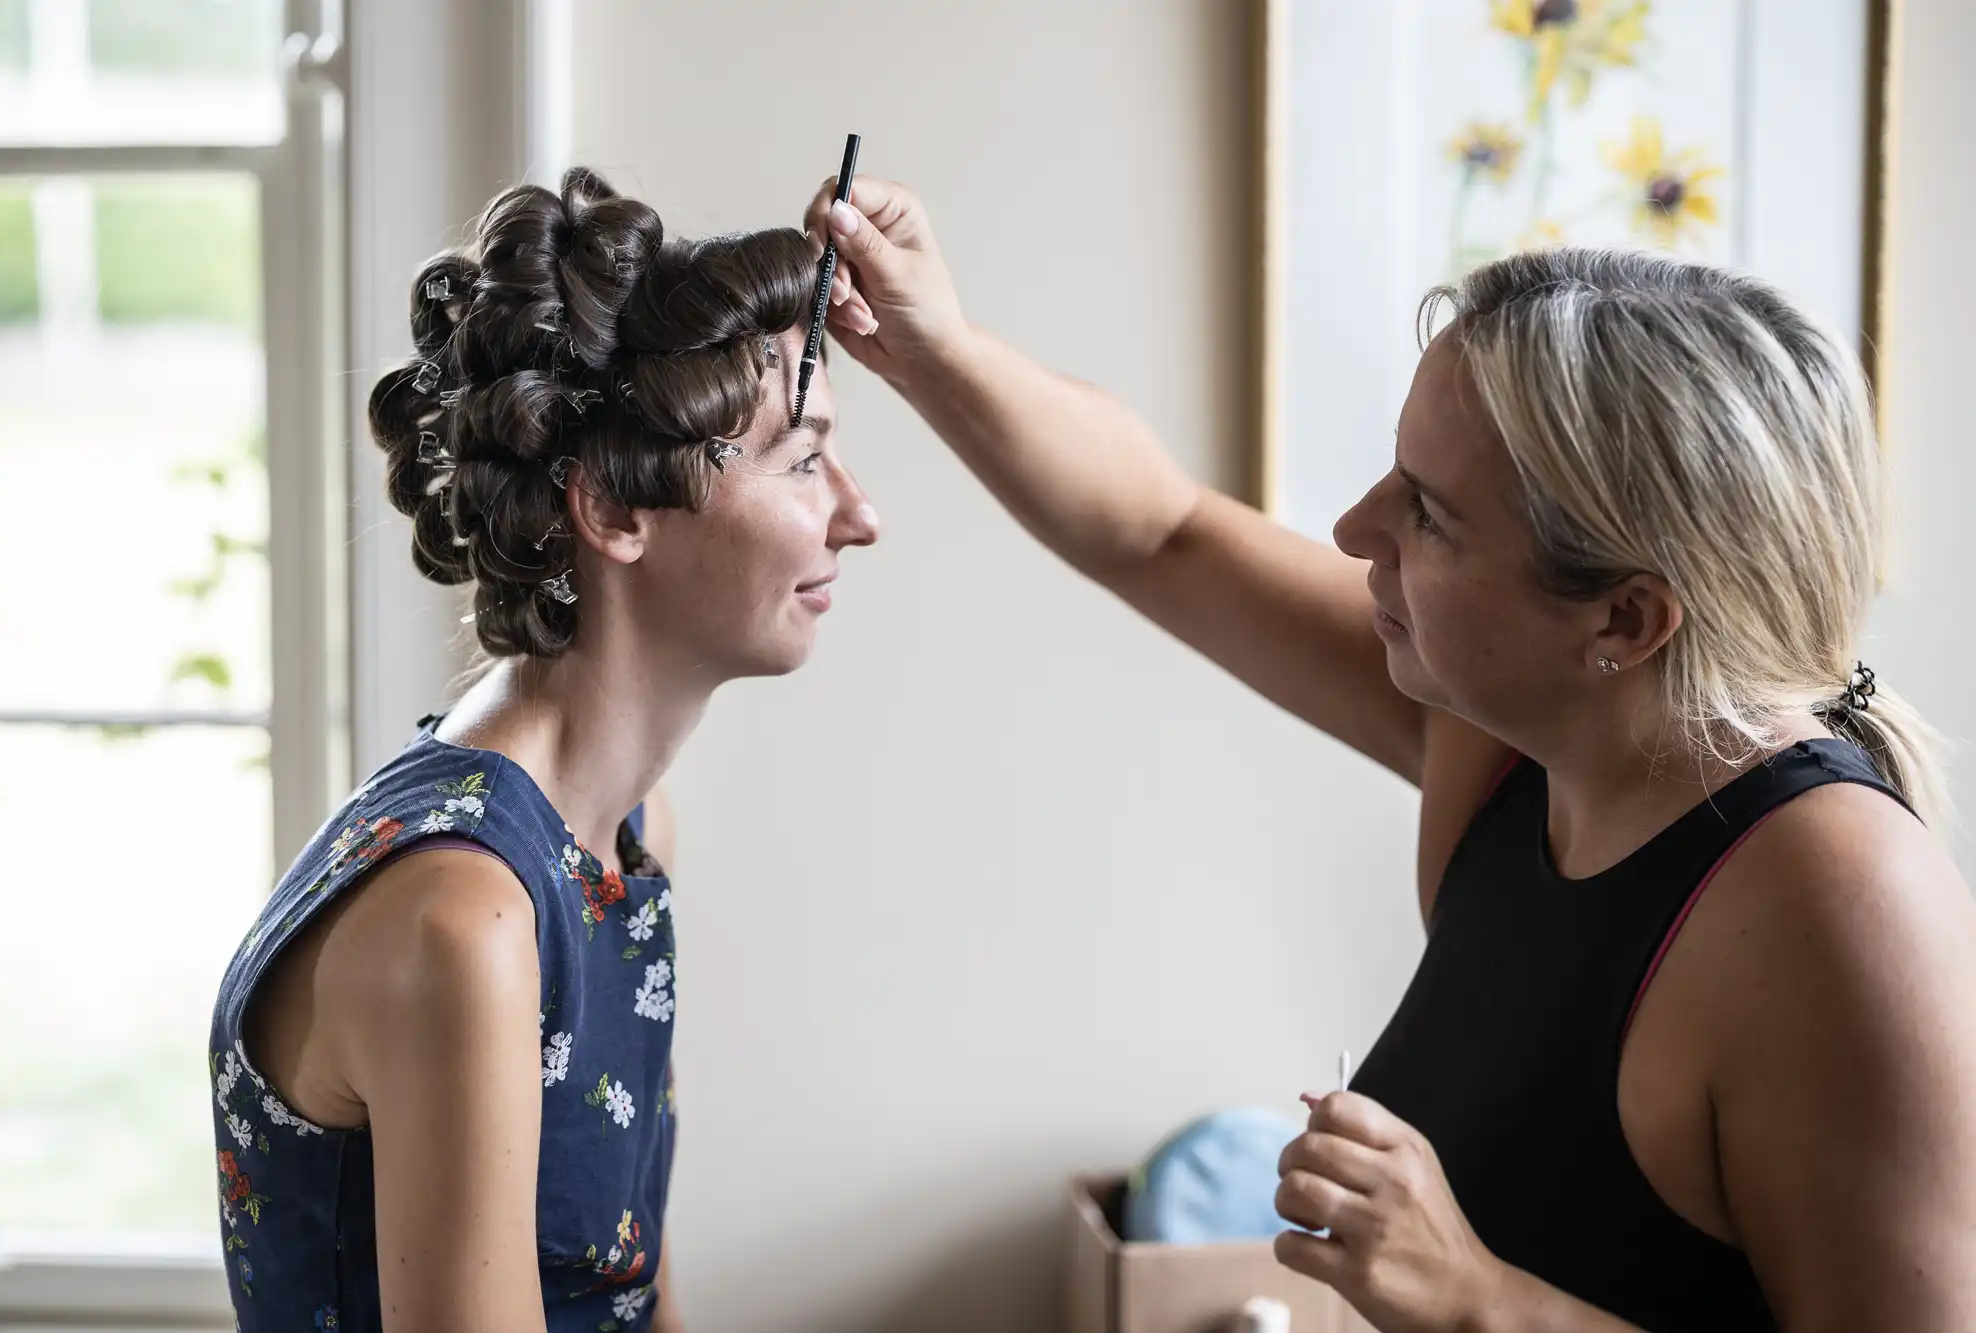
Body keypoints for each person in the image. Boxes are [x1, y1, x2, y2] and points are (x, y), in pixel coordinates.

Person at [803, 179, 1976, 1330]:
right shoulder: (1515, 740)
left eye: (1426, 511)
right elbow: (1160, 532)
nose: (1354, 528)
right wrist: (934, 347)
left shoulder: (1842, 906)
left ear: (1622, 621)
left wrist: (1479, 1300)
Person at [209, 167, 878, 1333]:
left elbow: (631, 1282)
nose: (859, 515)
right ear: (615, 510)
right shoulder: (465, 922)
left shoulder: (624, 833)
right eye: (804, 458)